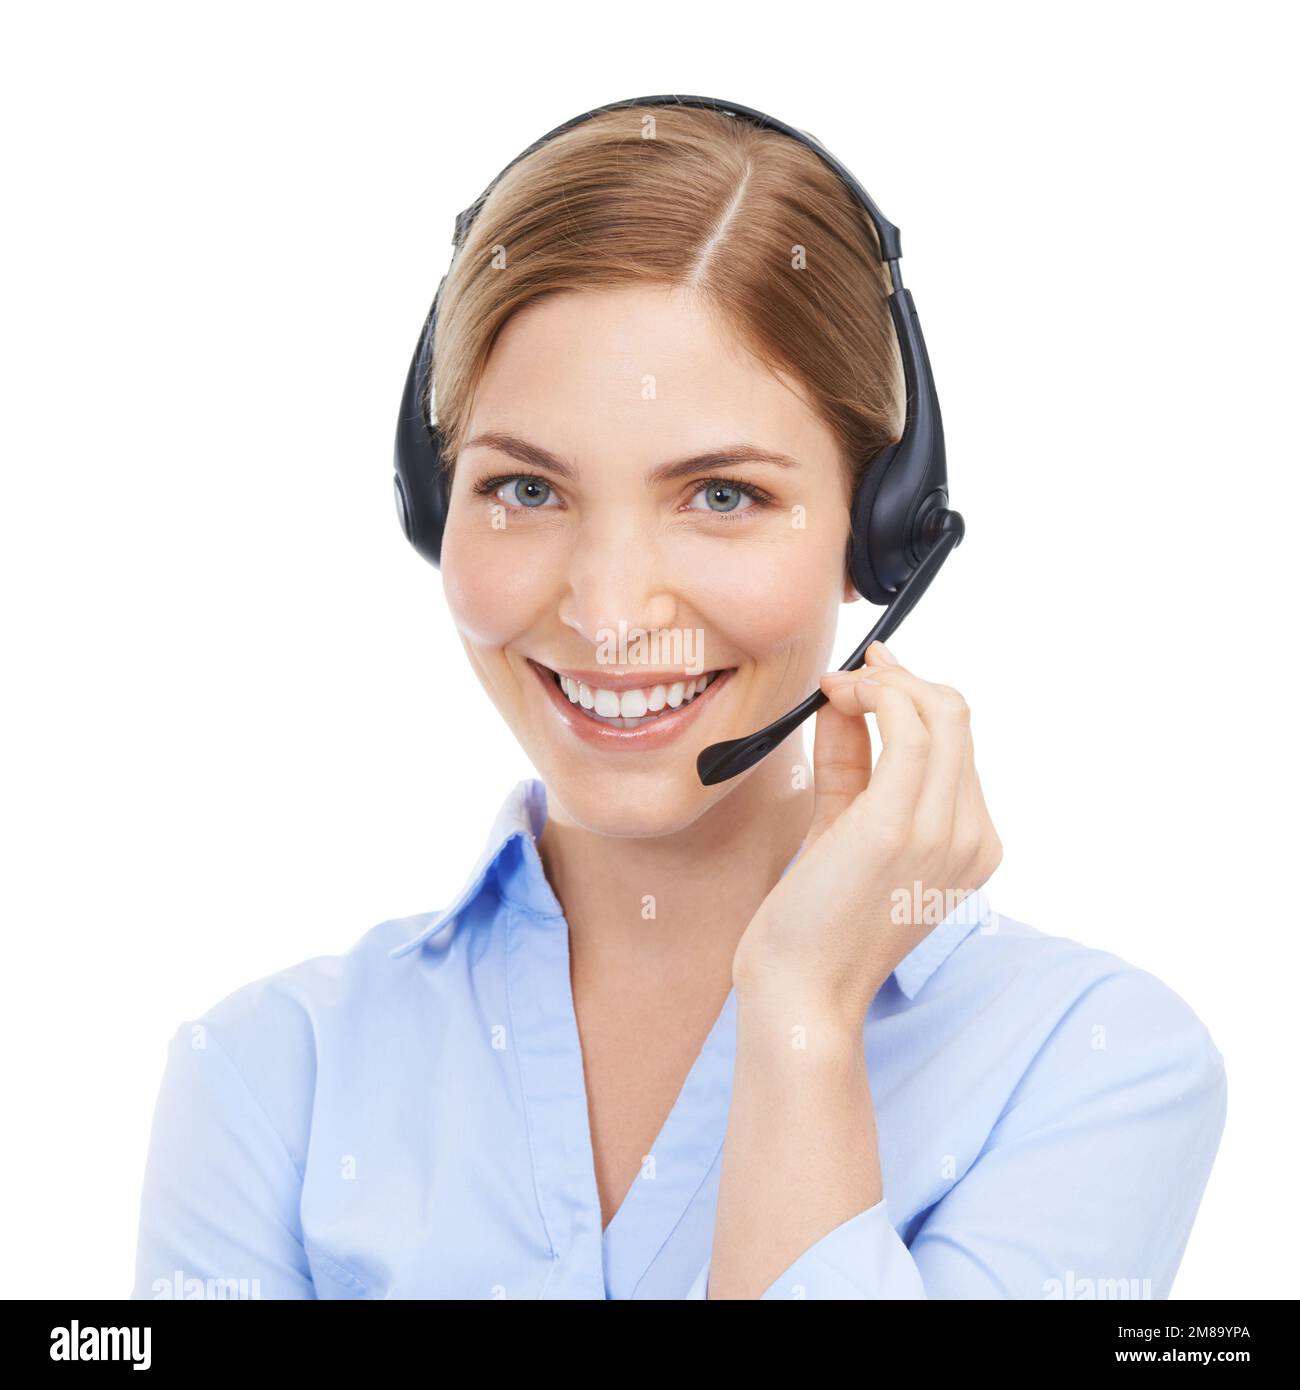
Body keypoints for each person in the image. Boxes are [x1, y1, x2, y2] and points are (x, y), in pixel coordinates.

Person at [131, 102, 1226, 1300]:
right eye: (525, 489)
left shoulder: (1092, 1065)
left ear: (880, 529)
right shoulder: (266, 1078)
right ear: (432, 507)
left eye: (718, 496)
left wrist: (802, 1018)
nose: (607, 610)